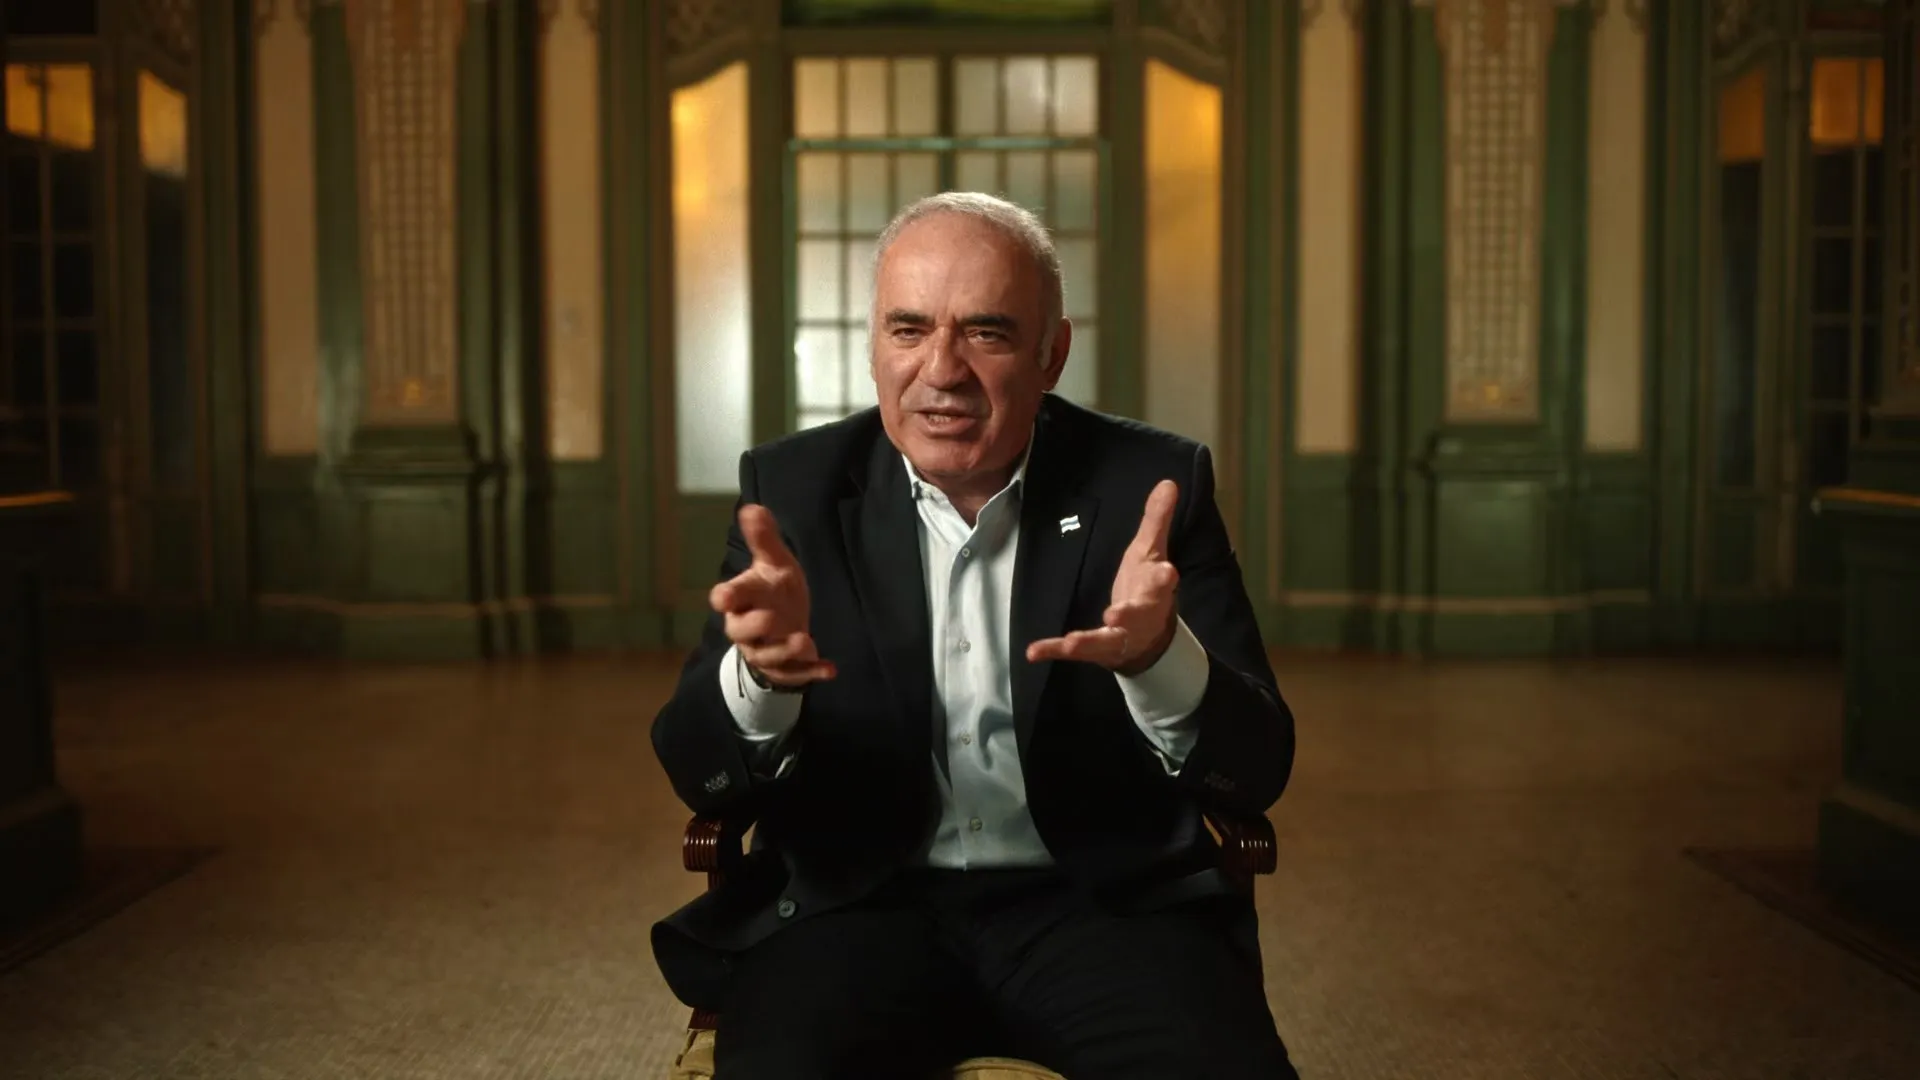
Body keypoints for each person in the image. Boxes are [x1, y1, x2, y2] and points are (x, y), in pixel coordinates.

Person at [651, 191, 1300, 1079]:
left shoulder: (1151, 484)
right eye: (909, 330)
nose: (942, 371)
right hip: (855, 906)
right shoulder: (793, 489)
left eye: (986, 333)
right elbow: (696, 768)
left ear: (1051, 354)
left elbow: (1257, 768)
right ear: (874, 347)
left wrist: (1160, 663)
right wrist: (761, 680)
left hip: (1101, 906)